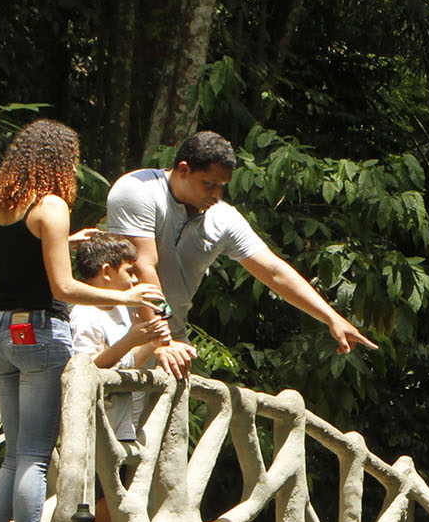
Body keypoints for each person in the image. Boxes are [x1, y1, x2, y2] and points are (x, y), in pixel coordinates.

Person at [0, 120, 164, 522]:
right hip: (39, 332)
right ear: (60, 161)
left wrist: (69, 242)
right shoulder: (52, 206)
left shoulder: (5, 203)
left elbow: (23, 260)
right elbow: (63, 289)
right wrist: (128, 292)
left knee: (14, 457)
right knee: (34, 457)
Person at [103, 131, 375, 373]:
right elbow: (143, 267)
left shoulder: (222, 217)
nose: (217, 194)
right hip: (118, 331)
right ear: (183, 169)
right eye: (209, 184)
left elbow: (274, 271)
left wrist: (332, 318)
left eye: (222, 186)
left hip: (172, 341)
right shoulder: (138, 191)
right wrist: (159, 340)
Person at [67, 230, 198, 466]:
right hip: (96, 426)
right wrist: (131, 340)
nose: (135, 280)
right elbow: (84, 369)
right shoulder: (84, 314)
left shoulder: (119, 310)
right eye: (130, 272)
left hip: (123, 424)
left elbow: (127, 362)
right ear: (107, 271)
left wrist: (151, 341)